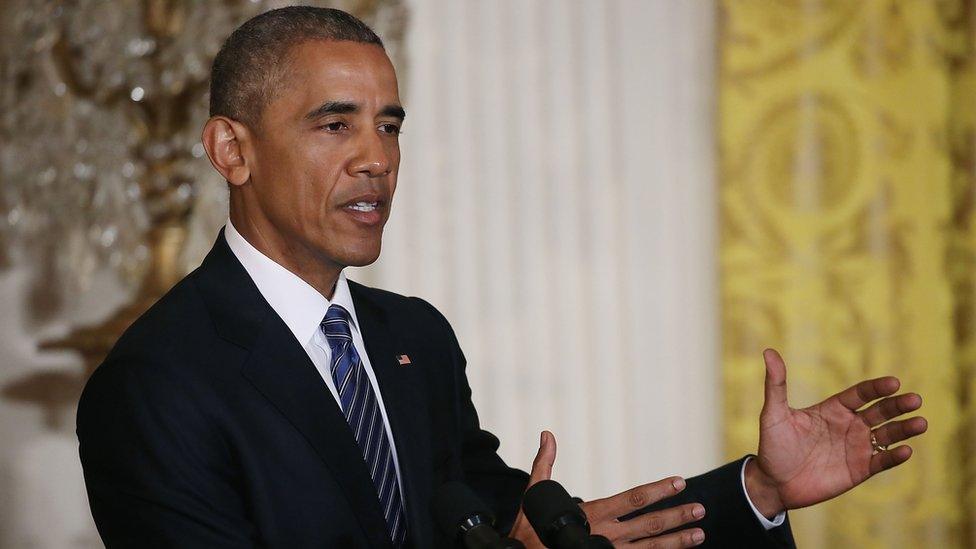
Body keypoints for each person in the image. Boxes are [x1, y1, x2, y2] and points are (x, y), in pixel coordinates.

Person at [76, 7, 928, 548]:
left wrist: (757, 491)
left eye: (389, 125)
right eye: (334, 125)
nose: (377, 158)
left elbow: (555, 537)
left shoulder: (415, 341)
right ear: (232, 149)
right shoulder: (156, 384)